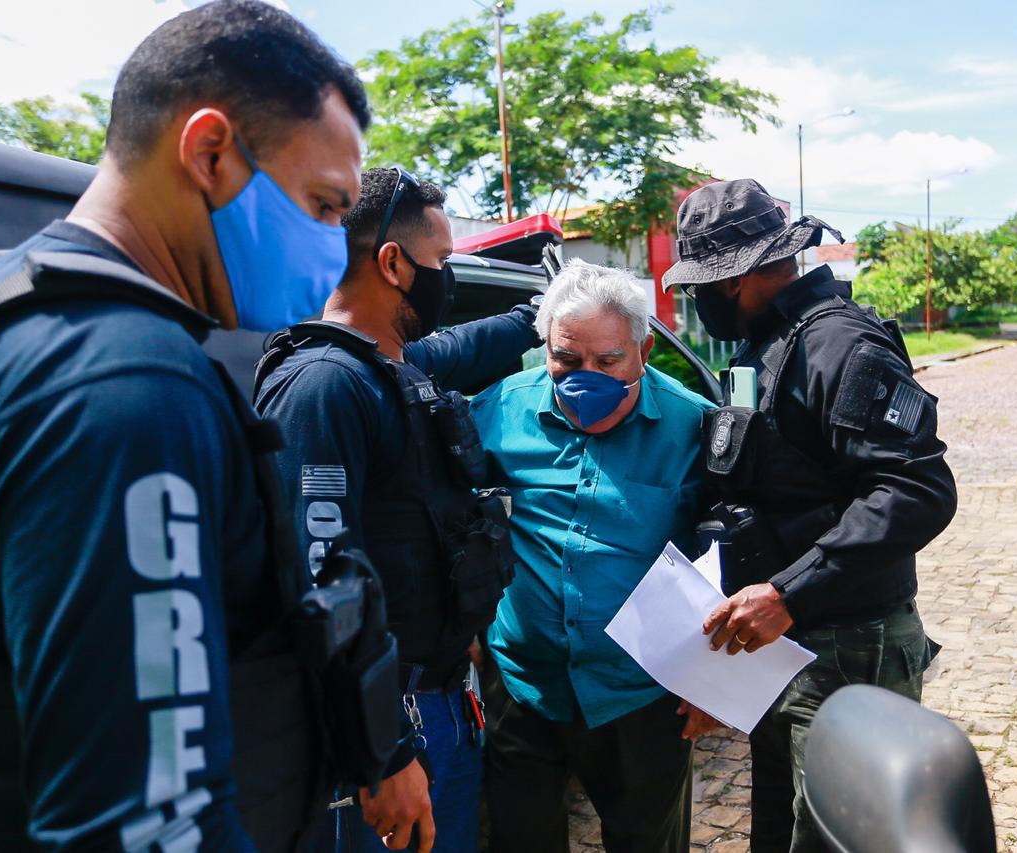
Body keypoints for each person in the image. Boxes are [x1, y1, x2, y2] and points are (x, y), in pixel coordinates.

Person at [0, 2, 385, 849]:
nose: (337, 250)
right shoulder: (121, 384)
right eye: (325, 206)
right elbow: (143, 820)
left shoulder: (20, 323)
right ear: (210, 152)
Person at [661, 178, 958, 853]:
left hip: (847, 649)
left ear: (732, 279)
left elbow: (918, 488)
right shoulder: (763, 344)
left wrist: (789, 592)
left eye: (700, 285)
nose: (698, 300)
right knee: (783, 830)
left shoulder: (840, 345)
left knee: (846, 836)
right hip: (780, 649)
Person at [253, 166, 540, 853]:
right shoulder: (324, 386)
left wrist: (538, 315)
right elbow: (323, 582)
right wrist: (382, 751)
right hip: (388, 724)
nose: (449, 277)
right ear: (392, 262)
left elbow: (467, 350)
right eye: (442, 260)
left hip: (438, 700)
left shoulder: (391, 365)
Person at [468, 261, 717, 853]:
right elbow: (451, 515)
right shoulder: (499, 410)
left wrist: (712, 680)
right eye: (566, 361)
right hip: (524, 685)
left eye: (607, 363)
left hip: (642, 692)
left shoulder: (693, 425)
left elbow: (724, 558)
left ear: (643, 348)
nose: (586, 377)